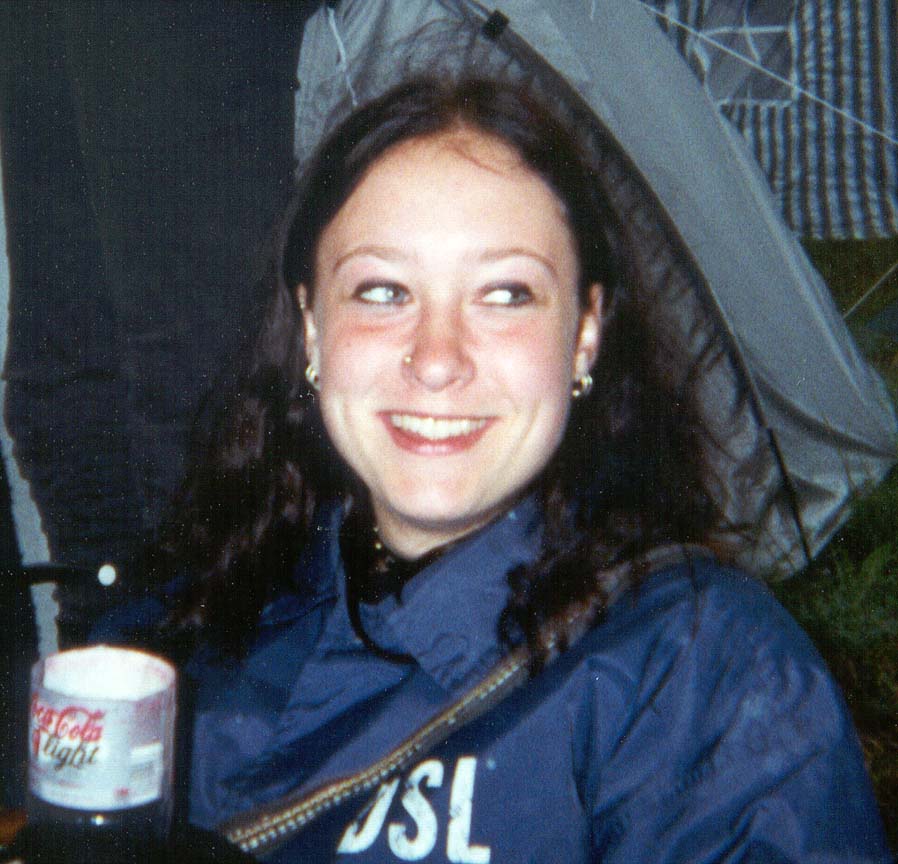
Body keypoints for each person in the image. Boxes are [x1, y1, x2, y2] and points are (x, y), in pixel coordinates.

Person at [105, 77, 891, 862]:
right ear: (312, 328)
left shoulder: (696, 674)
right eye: (383, 290)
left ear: (585, 333)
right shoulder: (182, 625)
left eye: (505, 294)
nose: (437, 359)